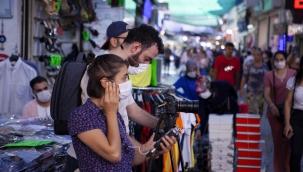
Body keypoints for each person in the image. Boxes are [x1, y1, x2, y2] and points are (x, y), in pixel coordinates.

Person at [67, 23, 166, 171]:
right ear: (136, 47)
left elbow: (133, 111)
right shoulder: (99, 70)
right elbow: (98, 122)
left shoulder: (120, 76)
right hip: (93, 158)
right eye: (147, 58)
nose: (146, 64)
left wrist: (162, 125)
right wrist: (140, 148)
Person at [263, 51, 296, 172]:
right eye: (276, 60)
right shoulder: (269, 75)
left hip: (291, 113)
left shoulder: (293, 74)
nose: (279, 62)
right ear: (273, 61)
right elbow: (266, 94)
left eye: (281, 59)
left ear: (286, 60)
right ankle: (277, 169)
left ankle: (286, 168)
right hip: (275, 113)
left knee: (288, 143)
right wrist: (272, 106)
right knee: (277, 144)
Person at [284, 56, 303, 172]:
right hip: (297, 118)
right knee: (296, 152)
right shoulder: (293, 81)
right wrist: (287, 123)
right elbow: (287, 102)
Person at [240, 49, 268, 116]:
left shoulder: (265, 66)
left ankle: (257, 125)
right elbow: (244, 77)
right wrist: (241, 89)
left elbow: (268, 79)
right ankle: (254, 125)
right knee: (253, 112)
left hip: (262, 93)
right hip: (251, 92)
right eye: (254, 55)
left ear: (261, 56)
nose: (256, 56)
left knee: (260, 112)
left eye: (258, 55)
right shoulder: (249, 66)